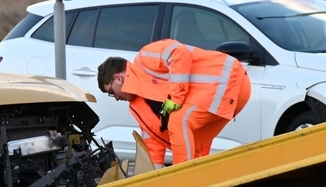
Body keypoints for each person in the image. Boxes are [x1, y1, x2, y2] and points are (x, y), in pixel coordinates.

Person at [97, 39, 252, 169]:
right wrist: (153, 180)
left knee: (179, 121)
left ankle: (182, 180)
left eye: (111, 92)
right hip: (228, 93)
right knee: (193, 144)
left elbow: (178, 52)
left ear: (118, 78)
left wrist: (176, 98)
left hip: (230, 80)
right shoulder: (138, 108)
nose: (116, 98)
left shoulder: (144, 58)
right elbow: (153, 147)